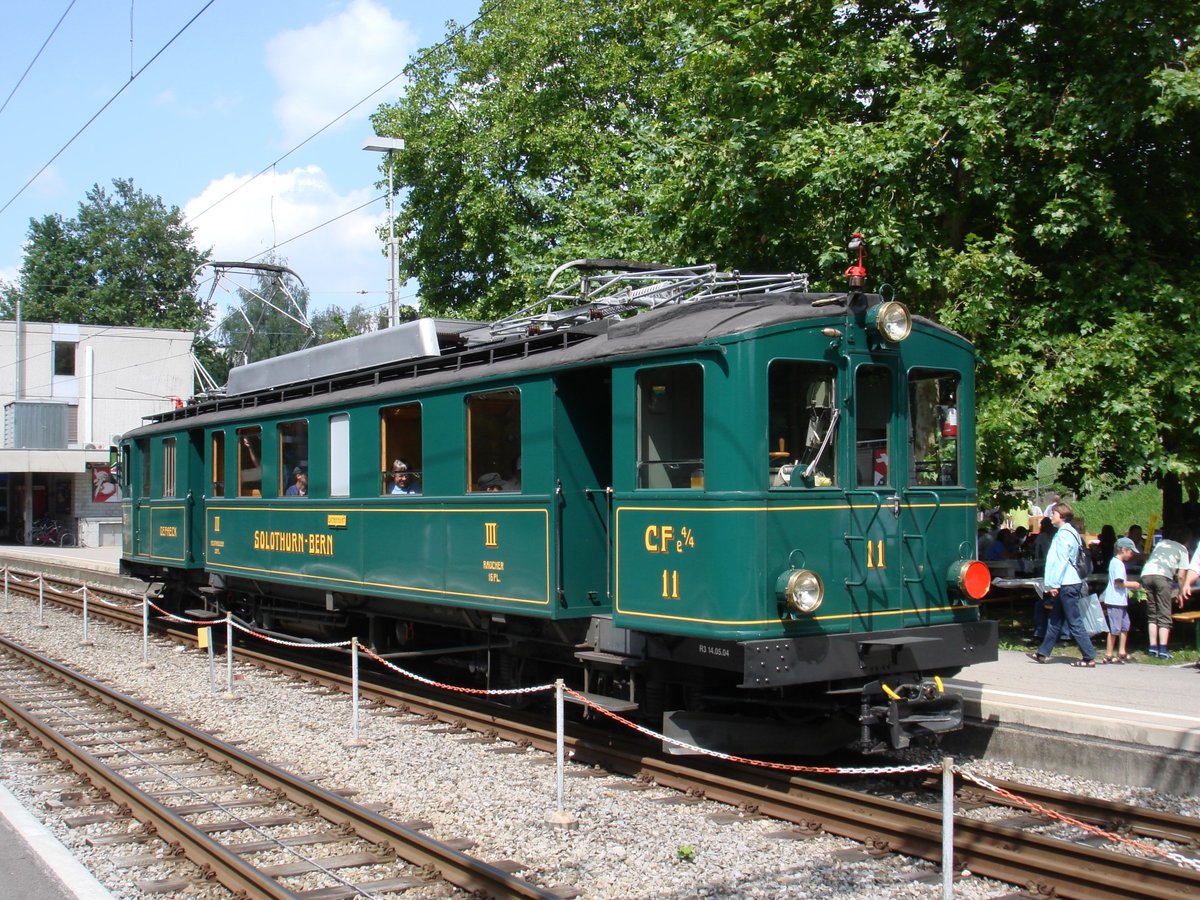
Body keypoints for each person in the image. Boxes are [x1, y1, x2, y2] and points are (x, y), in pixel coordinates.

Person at [1028, 502, 1097, 666]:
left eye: (1054, 513)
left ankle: (1089, 655)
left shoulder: (1065, 535)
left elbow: (1062, 561)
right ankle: (1043, 653)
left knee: (1073, 620)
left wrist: (1055, 584)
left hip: (1067, 583)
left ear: (1062, 516)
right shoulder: (1069, 532)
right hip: (1068, 582)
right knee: (1055, 619)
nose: (1051, 516)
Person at [1139, 530, 1191, 659]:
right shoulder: (1183, 549)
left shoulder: (1161, 544)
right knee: (1164, 613)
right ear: (1186, 540)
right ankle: (1163, 649)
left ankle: (1153, 647)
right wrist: (1180, 591)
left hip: (1146, 575)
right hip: (1163, 577)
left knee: (1152, 613)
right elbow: (1181, 575)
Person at [1100, 537, 1140, 663]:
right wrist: (1133, 584)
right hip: (1115, 600)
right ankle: (1109, 653)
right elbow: (1118, 583)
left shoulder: (1118, 563)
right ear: (1123, 550)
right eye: (1130, 552)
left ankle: (1122, 651)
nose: (1131, 555)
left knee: (1125, 626)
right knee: (1115, 628)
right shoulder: (1117, 564)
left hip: (1121, 600)